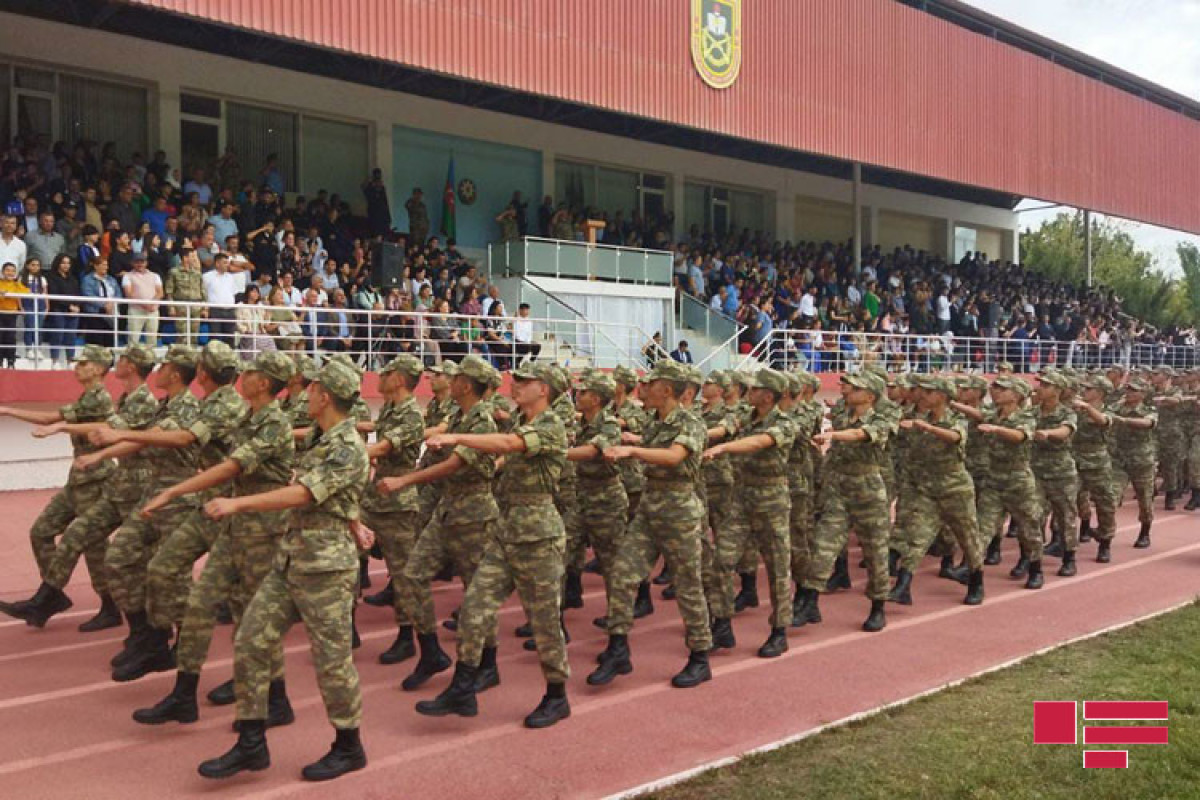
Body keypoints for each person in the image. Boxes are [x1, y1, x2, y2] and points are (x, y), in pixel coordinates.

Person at [196, 358, 370, 781]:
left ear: (325, 396)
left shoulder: (347, 445)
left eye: (311, 389)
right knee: (252, 640)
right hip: (291, 559)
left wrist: (236, 503)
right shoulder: (316, 435)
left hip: (326, 570)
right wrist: (355, 520)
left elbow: (304, 493)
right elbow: (336, 493)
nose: (304, 392)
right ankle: (252, 742)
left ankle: (349, 745)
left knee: (331, 662)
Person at [132, 351, 298, 728]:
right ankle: (183, 695)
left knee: (254, 619)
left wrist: (172, 493)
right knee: (199, 605)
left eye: (253, 371)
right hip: (235, 529)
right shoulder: (247, 416)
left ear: (264, 383)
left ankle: (277, 699)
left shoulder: (274, 424)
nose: (246, 374)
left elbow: (230, 467)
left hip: (262, 532)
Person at [412, 361, 571, 728]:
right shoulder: (522, 420)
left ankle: (556, 694)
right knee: (474, 608)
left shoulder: (551, 426)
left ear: (544, 389)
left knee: (544, 622)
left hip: (539, 536)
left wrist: (455, 438)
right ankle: (463, 687)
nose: (516, 385)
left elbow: (508, 444)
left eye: (525, 381)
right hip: (507, 531)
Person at [0, 345, 159, 629]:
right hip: (83, 479)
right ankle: (52, 593)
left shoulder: (100, 399)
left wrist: (12, 411)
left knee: (98, 548)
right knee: (43, 532)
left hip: (99, 479)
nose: (77, 367)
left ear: (98, 368)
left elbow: (59, 420)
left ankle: (112, 608)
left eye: (83, 363)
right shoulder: (112, 397)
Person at [376, 357, 500, 691]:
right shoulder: (459, 417)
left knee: (477, 591)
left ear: (467, 384)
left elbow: (455, 464)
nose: (450, 379)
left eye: (457, 376)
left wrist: (406, 481)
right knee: (413, 576)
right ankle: (430, 651)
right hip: (448, 509)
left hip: (474, 513)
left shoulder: (481, 421)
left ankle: (488, 663)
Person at [588, 359, 714, 689]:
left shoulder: (690, 422)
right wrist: (634, 444)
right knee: (622, 573)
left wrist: (634, 452)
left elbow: (674, 457)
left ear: (667, 390)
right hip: (650, 507)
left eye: (650, 384)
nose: (643, 389)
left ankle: (699, 656)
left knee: (688, 586)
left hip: (679, 511)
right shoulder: (654, 421)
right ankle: (618, 648)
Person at [702, 368, 795, 657]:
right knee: (721, 561)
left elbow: (760, 442)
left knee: (778, 567)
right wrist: (701, 438)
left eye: (754, 389)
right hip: (742, 499)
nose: (748, 391)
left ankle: (779, 631)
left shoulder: (785, 423)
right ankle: (722, 624)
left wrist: (725, 448)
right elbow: (725, 427)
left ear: (768, 395)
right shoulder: (745, 415)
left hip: (772, 501)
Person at [794, 371, 893, 632]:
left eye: (856, 389)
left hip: (868, 492)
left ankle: (878, 606)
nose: (848, 391)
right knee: (822, 546)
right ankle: (810, 602)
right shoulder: (841, 414)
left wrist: (833, 436)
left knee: (876, 553)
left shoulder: (882, 419)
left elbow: (862, 435)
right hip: (839, 490)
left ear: (870, 396)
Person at [888, 375, 985, 606]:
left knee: (968, 538)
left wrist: (928, 428)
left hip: (955, 489)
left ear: (942, 396)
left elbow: (955, 437)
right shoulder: (917, 416)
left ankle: (976, 582)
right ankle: (903, 585)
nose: (923, 395)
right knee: (916, 537)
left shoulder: (956, 419)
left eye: (929, 392)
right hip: (927, 489)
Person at [360, 355, 426, 665]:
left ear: (399, 379)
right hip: (377, 497)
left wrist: (350, 453)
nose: (380, 376)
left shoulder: (411, 415)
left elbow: (385, 446)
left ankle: (407, 637)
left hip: (398, 503)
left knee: (403, 574)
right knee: (347, 550)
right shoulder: (389, 408)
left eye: (386, 373)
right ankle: (345, 625)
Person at [959, 375, 1046, 589]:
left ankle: (1036, 569)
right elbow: (979, 414)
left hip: (1018, 482)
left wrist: (997, 429)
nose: (996, 392)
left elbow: (1019, 436)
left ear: (1016, 396)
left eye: (1003, 389)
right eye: (996, 388)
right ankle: (974, 580)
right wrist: (953, 403)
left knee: (1029, 529)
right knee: (982, 529)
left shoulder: (1025, 417)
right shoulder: (993, 413)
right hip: (993, 480)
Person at [1071, 374, 1119, 563]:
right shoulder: (1076, 408)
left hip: (1097, 463)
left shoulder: (1110, 408)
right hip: (1075, 460)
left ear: (1100, 392)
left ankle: (1105, 543)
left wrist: (1088, 408)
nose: (1084, 391)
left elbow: (1103, 421)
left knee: (1104, 503)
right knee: (1066, 499)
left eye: (1089, 389)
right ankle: (1064, 541)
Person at [1110, 378, 1157, 549]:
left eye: (1133, 390)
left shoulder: (1148, 410)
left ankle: (1145, 532)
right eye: (1128, 390)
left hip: (1141, 462)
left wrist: (1124, 420)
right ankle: (1106, 534)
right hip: (1119, 460)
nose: (1129, 393)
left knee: (1145, 500)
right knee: (1111, 497)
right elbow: (1106, 412)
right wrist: (1119, 404)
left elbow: (1147, 423)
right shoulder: (1118, 407)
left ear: (1143, 394)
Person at [121, 251, 164, 346]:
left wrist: (151, 304)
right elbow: (129, 294)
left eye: (142, 261)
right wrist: (145, 305)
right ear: (132, 263)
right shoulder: (127, 276)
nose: (139, 264)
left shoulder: (155, 275)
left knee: (152, 339)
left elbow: (160, 292)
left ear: (146, 263)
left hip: (153, 310)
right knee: (133, 339)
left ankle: (151, 360)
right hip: (136, 310)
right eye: (137, 262)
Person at [46, 254, 82, 366]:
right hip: (58, 309)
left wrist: (77, 306)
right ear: (58, 263)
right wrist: (68, 306)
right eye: (63, 263)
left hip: (73, 311)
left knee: (71, 337)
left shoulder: (73, 278)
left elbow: (78, 293)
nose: (66, 265)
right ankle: (54, 360)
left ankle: (70, 361)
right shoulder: (51, 277)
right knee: (57, 335)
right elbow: (54, 294)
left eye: (68, 263)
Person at [0, 261, 30, 367]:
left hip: (12, 314)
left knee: (11, 338)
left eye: (13, 271)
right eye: (8, 270)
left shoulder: (17, 284)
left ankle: (11, 361)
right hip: (0, 313)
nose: (10, 273)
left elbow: (26, 292)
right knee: (1, 337)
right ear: (3, 272)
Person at [363, 168, 392, 238]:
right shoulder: (369, 187)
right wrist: (370, 182)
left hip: (383, 217)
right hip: (374, 217)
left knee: (384, 236)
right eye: (376, 175)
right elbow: (363, 187)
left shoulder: (382, 188)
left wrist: (388, 216)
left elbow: (385, 202)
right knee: (375, 236)